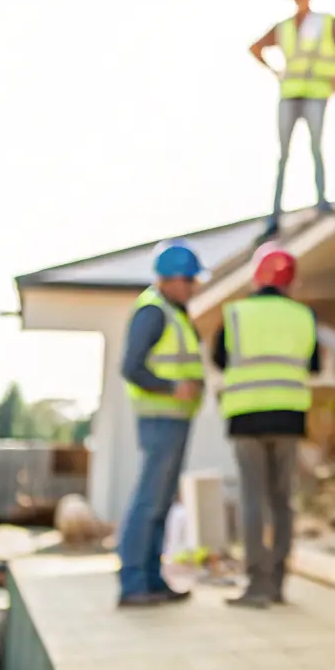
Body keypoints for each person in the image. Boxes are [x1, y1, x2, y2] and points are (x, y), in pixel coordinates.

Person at [212, 242, 321, 607]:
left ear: (256, 278)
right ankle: (278, 583)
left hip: (245, 417)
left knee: (252, 500)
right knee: (281, 501)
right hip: (288, 417)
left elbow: (219, 359)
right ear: (291, 282)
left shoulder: (236, 315)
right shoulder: (303, 317)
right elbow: (314, 365)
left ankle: (256, 583)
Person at [116, 240, 207, 607]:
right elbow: (131, 367)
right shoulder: (153, 311)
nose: (194, 287)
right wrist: (172, 387)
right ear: (171, 279)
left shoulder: (174, 311)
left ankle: (152, 579)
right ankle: (134, 582)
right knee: (149, 501)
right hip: (160, 418)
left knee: (161, 503)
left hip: (176, 419)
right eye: (190, 280)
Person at [250, 0, 335, 239]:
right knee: (283, 155)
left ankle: (322, 202)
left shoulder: (326, 22)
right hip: (291, 93)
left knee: (316, 148)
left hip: (316, 92)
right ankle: (275, 215)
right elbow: (256, 47)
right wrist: (275, 71)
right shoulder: (284, 27)